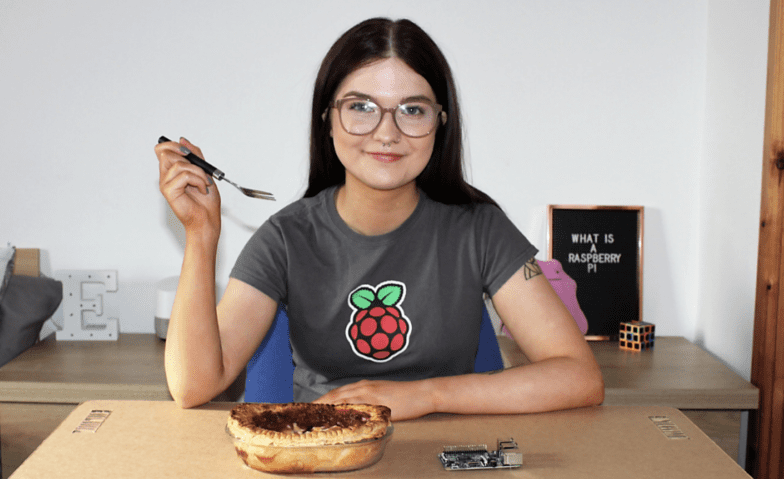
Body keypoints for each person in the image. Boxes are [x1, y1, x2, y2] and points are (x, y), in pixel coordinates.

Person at [155, 18, 604, 421]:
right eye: (361, 107)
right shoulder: (286, 238)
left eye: (413, 110)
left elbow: (579, 377)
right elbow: (194, 386)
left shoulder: (479, 228)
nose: (387, 133)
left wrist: (425, 396)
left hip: (446, 464)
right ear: (327, 120)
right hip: (324, 457)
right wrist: (200, 235)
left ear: (439, 125)